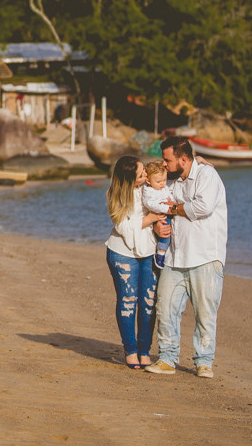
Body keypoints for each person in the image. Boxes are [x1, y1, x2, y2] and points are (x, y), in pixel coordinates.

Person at [145, 136, 228, 379]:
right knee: (165, 308)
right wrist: (156, 225)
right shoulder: (172, 181)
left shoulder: (207, 175)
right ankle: (167, 358)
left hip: (205, 256)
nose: (164, 164)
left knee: (205, 313)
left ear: (183, 159)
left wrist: (174, 208)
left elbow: (202, 207)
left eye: (167, 160)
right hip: (175, 256)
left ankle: (204, 362)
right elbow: (156, 200)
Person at [104, 155, 167, 369]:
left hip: (149, 251)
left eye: (144, 172)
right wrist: (150, 219)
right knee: (128, 300)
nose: (146, 176)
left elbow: (165, 177)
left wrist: (200, 161)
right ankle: (130, 349)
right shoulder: (114, 194)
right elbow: (123, 227)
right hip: (122, 252)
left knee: (148, 302)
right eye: (141, 175)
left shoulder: (150, 189)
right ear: (129, 179)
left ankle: (144, 349)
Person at [140, 161, 177, 269]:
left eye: (164, 180)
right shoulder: (148, 191)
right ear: (148, 181)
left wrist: (173, 204)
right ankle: (160, 252)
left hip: (168, 211)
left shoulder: (164, 187)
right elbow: (149, 204)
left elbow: (170, 196)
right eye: (158, 181)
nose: (162, 184)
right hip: (159, 214)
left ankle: (167, 251)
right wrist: (167, 209)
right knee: (165, 232)